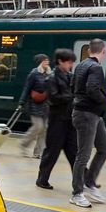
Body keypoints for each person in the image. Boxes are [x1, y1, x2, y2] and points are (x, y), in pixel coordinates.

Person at [70, 38, 106, 208]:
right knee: (83, 155)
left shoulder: (80, 65)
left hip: (88, 113)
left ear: (88, 51)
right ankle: (77, 193)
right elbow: (92, 89)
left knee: (104, 149)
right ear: (103, 51)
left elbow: (73, 87)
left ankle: (89, 182)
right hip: (87, 114)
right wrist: (105, 101)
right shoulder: (95, 67)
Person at [36, 48, 77, 189]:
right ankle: (42, 179)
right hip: (57, 119)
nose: (70, 65)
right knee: (52, 151)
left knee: (74, 151)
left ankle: (82, 181)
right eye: (69, 62)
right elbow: (53, 98)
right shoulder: (51, 78)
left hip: (69, 119)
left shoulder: (70, 77)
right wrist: (71, 97)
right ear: (60, 61)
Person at [18, 53, 50, 158]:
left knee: (44, 128)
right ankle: (24, 144)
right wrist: (21, 102)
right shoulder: (34, 74)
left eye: (47, 60)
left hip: (46, 105)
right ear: (40, 62)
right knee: (38, 126)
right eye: (45, 60)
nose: (47, 62)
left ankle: (38, 153)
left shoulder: (50, 74)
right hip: (35, 104)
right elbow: (27, 88)